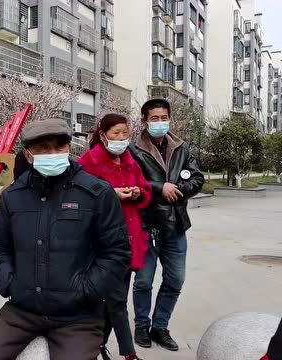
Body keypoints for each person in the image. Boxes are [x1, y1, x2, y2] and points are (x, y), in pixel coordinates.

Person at [0, 118, 131, 360]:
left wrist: (87, 290)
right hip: (21, 312)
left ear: (69, 148)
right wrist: (8, 282)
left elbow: (117, 252)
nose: (53, 153)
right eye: (43, 148)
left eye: (59, 146)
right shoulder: (12, 197)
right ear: (28, 155)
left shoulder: (97, 193)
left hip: (78, 317)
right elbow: (1, 248)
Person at [129, 99, 204, 351]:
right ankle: (141, 325)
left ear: (169, 119)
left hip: (176, 224)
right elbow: (131, 181)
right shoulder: (133, 150)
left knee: (175, 280)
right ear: (144, 121)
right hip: (145, 225)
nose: (160, 122)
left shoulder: (182, 147)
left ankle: (160, 327)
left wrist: (179, 189)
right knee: (143, 281)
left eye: (164, 118)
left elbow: (196, 178)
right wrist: (161, 188)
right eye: (155, 118)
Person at [78, 114, 152, 360]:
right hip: (102, 241)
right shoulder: (89, 161)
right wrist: (111, 194)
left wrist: (137, 193)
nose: (121, 138)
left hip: (129, 239)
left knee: (113, 301)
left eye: (124, 133)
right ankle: (128, 354)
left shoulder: (131, 160)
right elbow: (81, 194)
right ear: (102, 134)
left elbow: (146, 190)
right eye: (115, 133)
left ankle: (96, 347)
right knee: (117, 300)